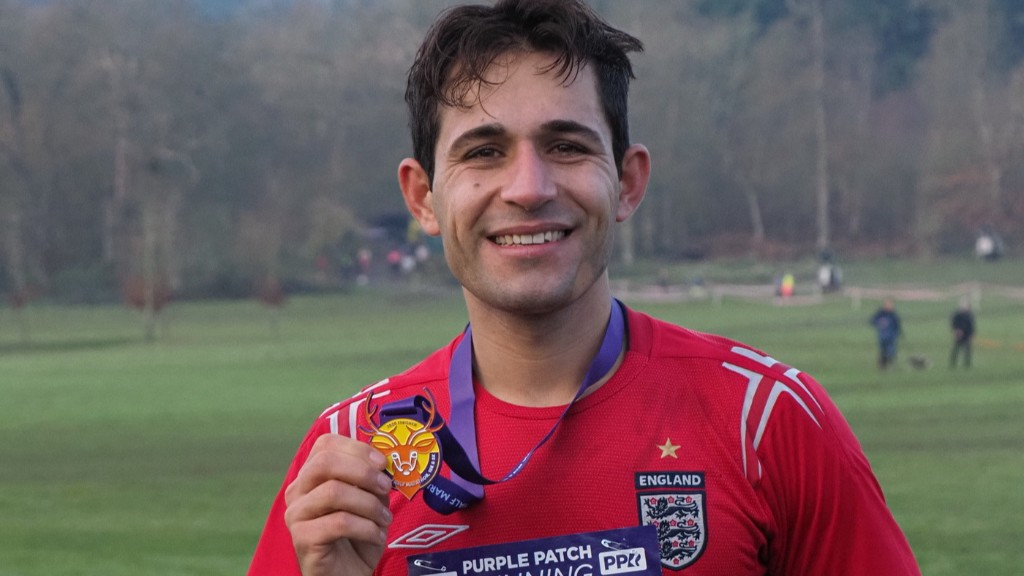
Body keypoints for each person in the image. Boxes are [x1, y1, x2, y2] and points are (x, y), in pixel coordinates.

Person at [248, 1, 921, 574]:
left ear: (626, 182)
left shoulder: (767, 420)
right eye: (484, 152)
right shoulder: (348, 459)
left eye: (567, 145)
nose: (529, 188)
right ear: (423, 197)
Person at [870, 299, 902, 370]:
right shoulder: (880, 313)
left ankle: (891, 364)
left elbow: (897, 325)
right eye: (887, 305)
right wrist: (879, 322)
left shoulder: (894, 315)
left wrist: (900, 333)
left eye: (890, 305)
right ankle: (882, 365)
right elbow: (872, 320)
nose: (889, 306)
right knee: (883, 351)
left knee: (891, 350)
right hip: (882, 336)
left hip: (892, 336)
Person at [950, 299, 975, 368]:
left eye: (966, 306)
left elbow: (972, 325)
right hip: (959, 334)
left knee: (968, 349)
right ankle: (953, 363)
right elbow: (954, 323)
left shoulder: (969, 315)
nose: (964, 307)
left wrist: (972, 334)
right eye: (963, 306)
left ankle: (967, 364)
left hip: (967, 334)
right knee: (956, 349)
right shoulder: (957, 315)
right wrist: (956, 331)